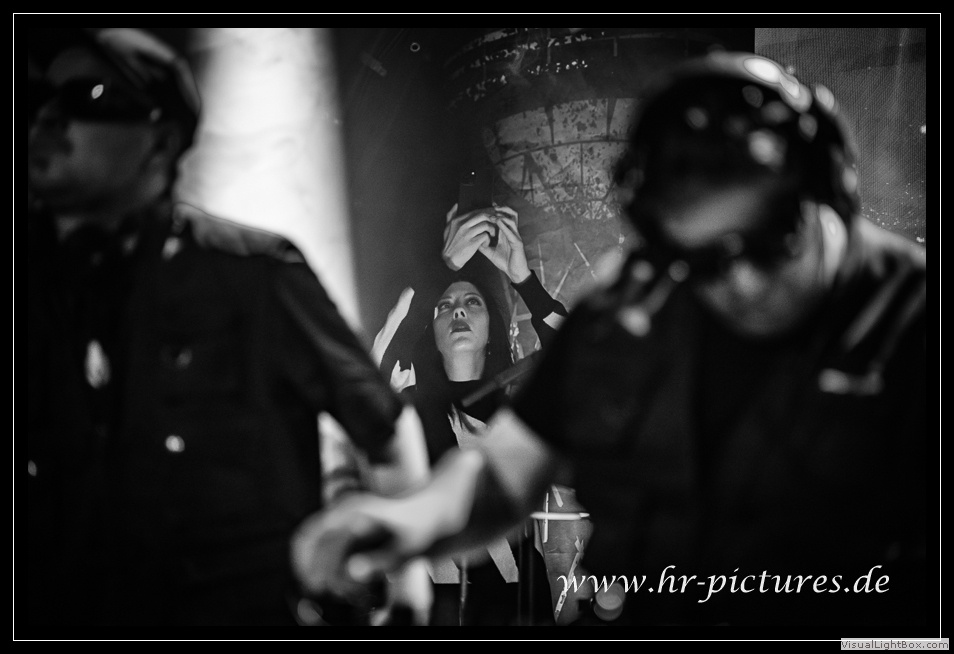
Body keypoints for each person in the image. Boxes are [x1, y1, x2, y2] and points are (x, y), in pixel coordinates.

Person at [291, 50, 929, 631]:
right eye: (706, 259)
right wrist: (404, 523)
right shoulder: (634, 305)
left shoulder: (914, 314)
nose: (742, 282)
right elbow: (501, 479)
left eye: (769, 244)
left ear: (828, 191)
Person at [25, 27, 431, 628]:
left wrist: (408, 601)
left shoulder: (250, 272)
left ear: (160, 142)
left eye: (89, 97)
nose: (49, 118)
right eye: (41, 99)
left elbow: (386, 431)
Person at [316, 201, 574, 626]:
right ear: (430, 331)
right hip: (430, 605)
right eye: (443, 306)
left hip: (516, 605)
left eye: (473, 302)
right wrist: (443, 268)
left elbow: (577, 360)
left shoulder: (517, 406)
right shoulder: (405, 404)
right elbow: (378, 355)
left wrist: (523, 279)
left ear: (492, 329)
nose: (457, 310)